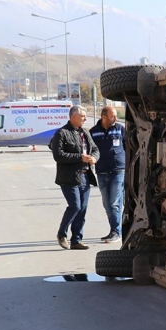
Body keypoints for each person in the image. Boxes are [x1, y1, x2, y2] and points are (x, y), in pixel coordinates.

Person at [50, 105, 99, 250]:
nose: (85, 118)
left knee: (82, 210)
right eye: (82, 116)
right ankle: (61, 233)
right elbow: (58, 155)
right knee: (75, 206)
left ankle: (76, 240)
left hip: (85, 176)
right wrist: (80, 157)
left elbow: (95, 149)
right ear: (73, 117)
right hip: (69, 177)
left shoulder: (85, 132)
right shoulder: (62, 133)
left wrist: (94, 158)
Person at [90, 106, 125, 246]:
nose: (115, 118)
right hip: (102, 171)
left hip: (118, 170)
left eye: (116, 116)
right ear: (104, 117)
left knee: (114, 203)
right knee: (106, 204)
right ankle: (114, 230)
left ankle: (117, 232)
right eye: (112, 116)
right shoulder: (93, 132)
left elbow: (129, 145)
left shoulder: (120, 129)